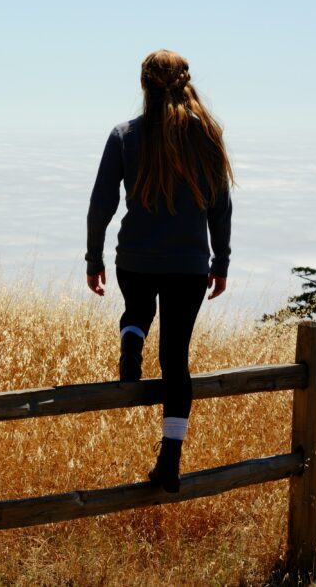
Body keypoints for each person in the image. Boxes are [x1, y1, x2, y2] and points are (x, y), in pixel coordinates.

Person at [84, 49, 234, 492]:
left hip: (135, 259)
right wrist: (220, 262)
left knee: (136, 310)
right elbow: (221, 208)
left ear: (144, 85)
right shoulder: (207, 135)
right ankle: (169, 461)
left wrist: (94, 260)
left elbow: (100, 205)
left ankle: (131, 340)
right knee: (175, 361)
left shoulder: (124, 135)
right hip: (189, 265)